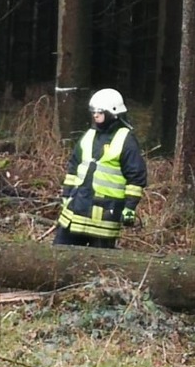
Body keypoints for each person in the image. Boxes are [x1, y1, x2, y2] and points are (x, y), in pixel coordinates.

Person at [55, 88, 147, 249]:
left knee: (99, 264)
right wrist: (66, 194)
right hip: (75, 211)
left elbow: (136, 177)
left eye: (99, 112)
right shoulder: (89, 136)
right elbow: (73, 168)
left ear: (113, 113)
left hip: (104, 216)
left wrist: (130, 208)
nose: (95, 115)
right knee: (59, 253)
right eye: (93, 112)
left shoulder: (126, 139)